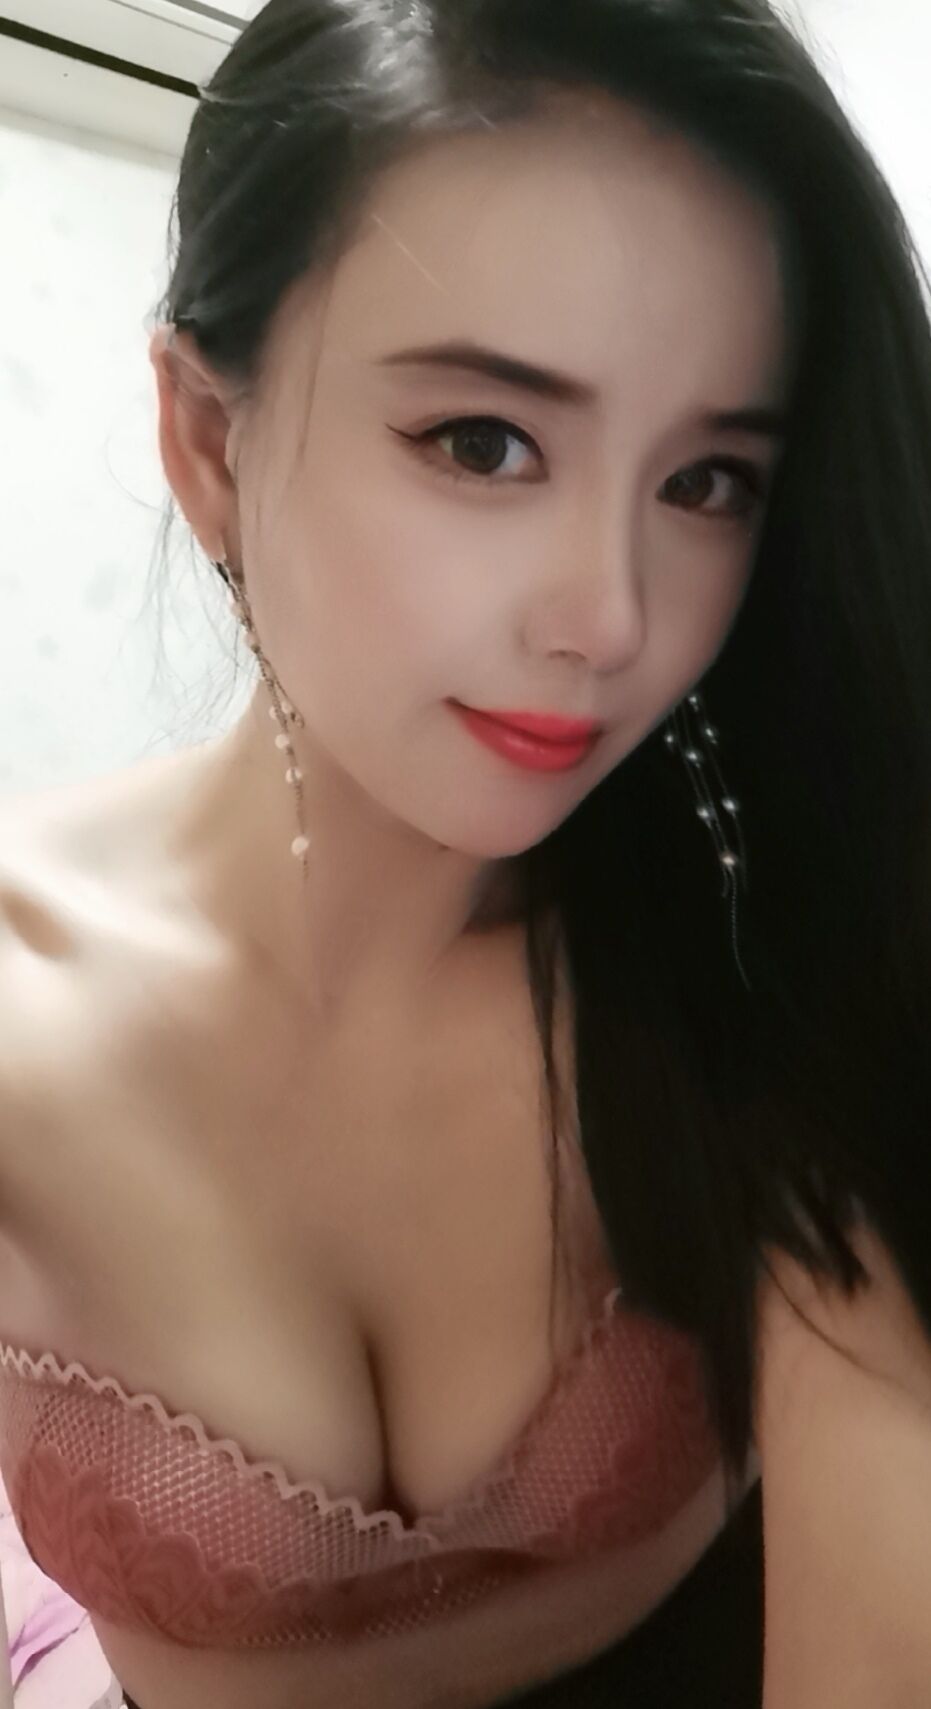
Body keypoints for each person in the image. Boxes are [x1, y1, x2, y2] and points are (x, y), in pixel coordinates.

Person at [1, 0, 930, 1704]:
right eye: (485, 443)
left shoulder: (772, 945)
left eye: (709, 482)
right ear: (209, 441)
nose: (613, 617)